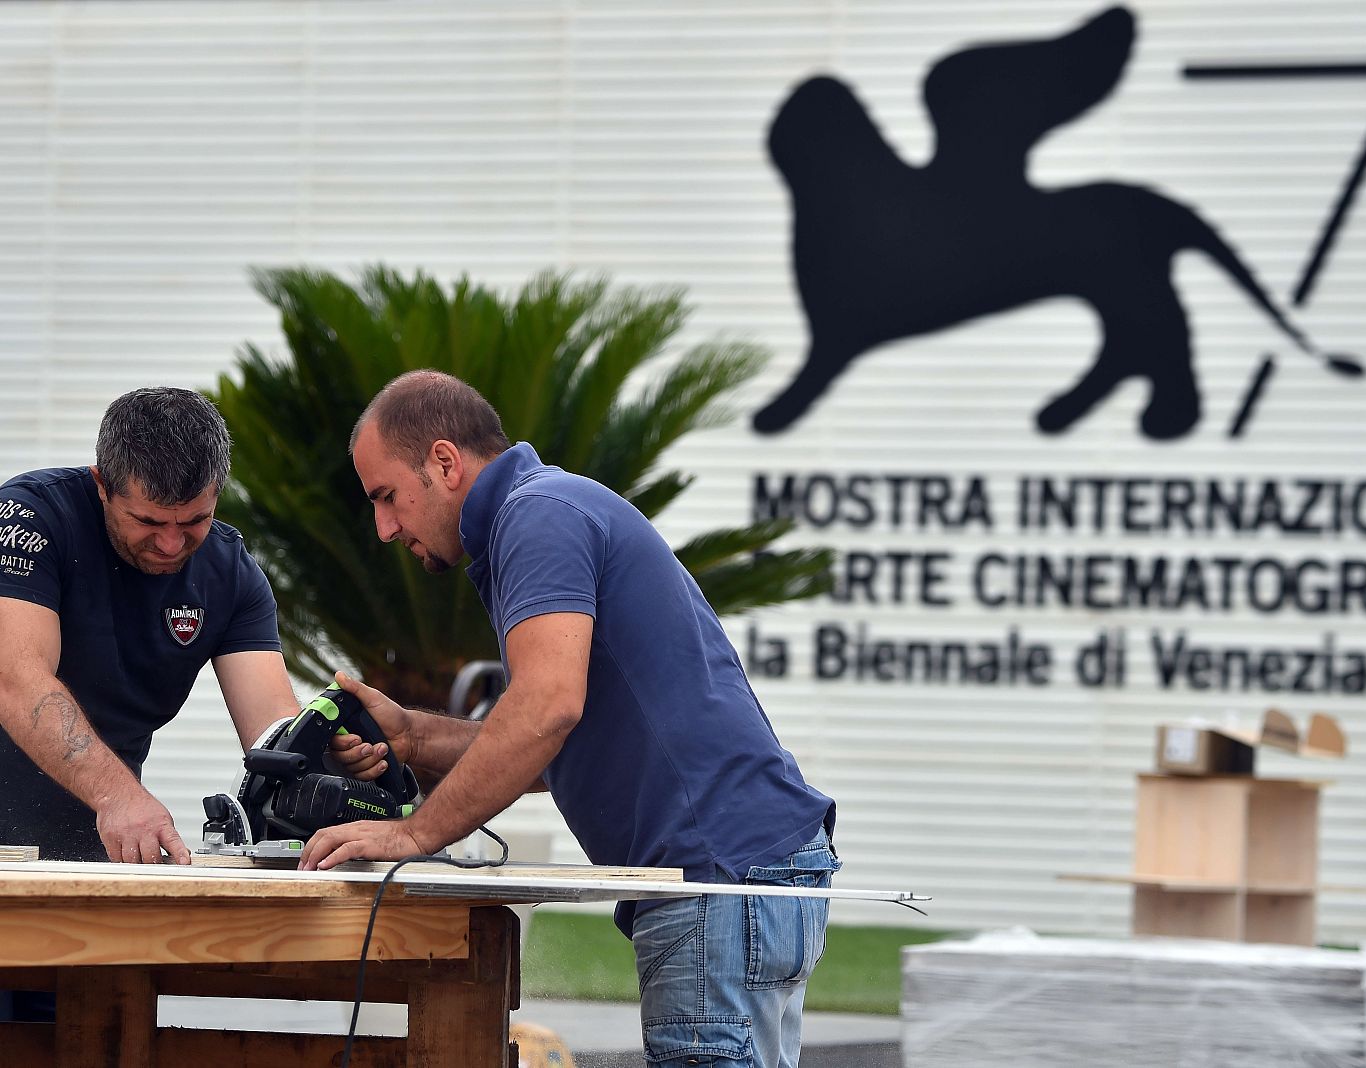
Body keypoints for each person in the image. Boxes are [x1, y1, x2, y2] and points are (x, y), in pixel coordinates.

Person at [302, 370, 838, 1068]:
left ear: (443, 461)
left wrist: (413, 834)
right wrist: (411, 736)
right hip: (750, 873)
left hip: (720, 881)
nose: (382, 527)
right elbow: (550, 737)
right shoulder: (543, 512)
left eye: (385, 497)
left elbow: (547, 709)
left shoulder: (538, 515)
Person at [0, 387, 301, 865]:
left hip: (96, 854)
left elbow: (276, 741)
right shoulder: (29, 519)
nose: (170, 543)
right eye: (148, 520)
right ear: (101, 484)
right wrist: (117, 797)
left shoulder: (230, 572)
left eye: (195, 521)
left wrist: (334, 762)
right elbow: (16, 680)